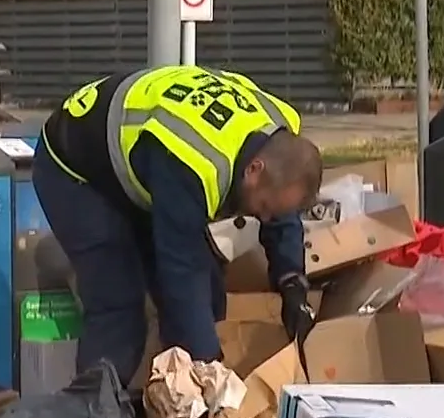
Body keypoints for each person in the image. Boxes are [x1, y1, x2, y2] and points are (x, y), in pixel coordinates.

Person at [35, 64, 324, 390]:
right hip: (75, 169)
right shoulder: (195, 162)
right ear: (254, 169)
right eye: (264, 209)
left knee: (209, 298)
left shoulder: (279, 136)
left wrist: (293, 288)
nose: (265, 219)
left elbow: (282, 214)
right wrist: (210, 369)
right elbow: (182, 272)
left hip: (139, 161)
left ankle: (172, 406)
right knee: (118, 304)